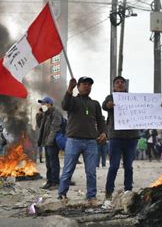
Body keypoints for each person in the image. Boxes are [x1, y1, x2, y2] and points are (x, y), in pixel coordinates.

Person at [58, 77, 107, 205]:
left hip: (91, 142)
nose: (87, 86)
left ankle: (91, 196)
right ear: (78, 86)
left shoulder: (95, 104)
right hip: (74, 140)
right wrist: (69, 89)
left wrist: (103, 132)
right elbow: (64, 105)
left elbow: (101, 120)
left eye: (89, 84)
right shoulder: (73, 101)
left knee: (91, 172)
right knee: (68, 170)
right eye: (84, 84)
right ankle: (62, 194)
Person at [102, 76, 140, 205]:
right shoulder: (110, 97)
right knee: (114, 166)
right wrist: (109, 105)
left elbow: (146, 108)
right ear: (113, 86)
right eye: (117, 82)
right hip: (116, 137)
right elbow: (104, 106)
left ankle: (128, 191)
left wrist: (158, 106)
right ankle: (108, 191)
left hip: (132, 137)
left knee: (128, 166)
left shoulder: (133, 99)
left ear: (125, 85)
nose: (120, 84)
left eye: (122, 82)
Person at [36, 96, 63, 189]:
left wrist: (50, 141)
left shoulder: (56, 113)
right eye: (42, 103)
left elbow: (55, 128)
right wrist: (39, 115)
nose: (42, 105)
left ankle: (55, 182)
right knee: (48, 163)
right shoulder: (46, 114)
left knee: (53, 162)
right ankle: (49, 181)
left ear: (50, 104)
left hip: (53, 142)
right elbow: (40, 126)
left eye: (44, 103)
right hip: (46, 142)